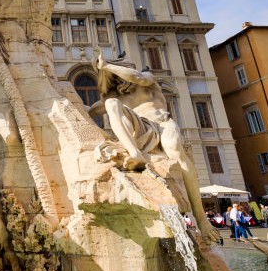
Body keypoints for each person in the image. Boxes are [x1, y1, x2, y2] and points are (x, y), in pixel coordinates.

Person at [93, 54, 218, 243]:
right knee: (111, 104)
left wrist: (107, 66)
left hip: (162, 123)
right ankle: (135, 153)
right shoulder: (115, 97)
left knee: (175, 151)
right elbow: (90, 110)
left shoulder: (146, 78)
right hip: (142, 129)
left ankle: (201, 219)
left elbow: (136, 77)